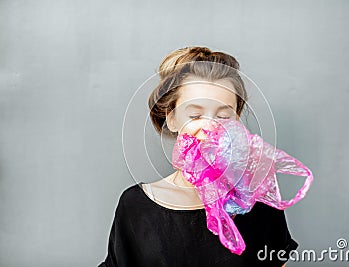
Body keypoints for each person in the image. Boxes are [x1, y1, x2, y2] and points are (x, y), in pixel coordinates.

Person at [98, 46, 298, 267]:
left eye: (223, 115)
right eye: (194, 115)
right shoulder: (136, 206)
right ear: (172, 119)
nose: (209, 126)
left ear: (237, 121)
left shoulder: (257, 199)